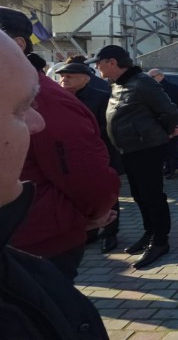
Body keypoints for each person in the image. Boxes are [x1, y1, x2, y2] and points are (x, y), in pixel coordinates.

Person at [0, 30, 111, 339]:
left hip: (49, 233)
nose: (37, 122)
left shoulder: (67, 104)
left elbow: (88, 171)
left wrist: (93, 214)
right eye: (21, 109)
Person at [88, 45, 178, 269]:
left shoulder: (141, 82)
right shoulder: (120, 84)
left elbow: (168, 111)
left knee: (152, 195)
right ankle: (149, 233)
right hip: (129, 149)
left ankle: (160, 241)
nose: (97, 68)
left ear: (111, 62)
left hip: (146, 148)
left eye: (99, 63)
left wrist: (165, 132)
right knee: (140, 195)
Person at [56, 61, 123, 253]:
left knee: (106, 195)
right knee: (81, 196)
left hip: (98, 155)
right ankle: (90, 231)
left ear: (84, 79)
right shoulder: (58, 97)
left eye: (69, 76)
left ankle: (110, 233)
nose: (63, 80)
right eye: (62, 76)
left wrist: (82, 134)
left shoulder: (101, 97)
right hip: (69, 157)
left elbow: (109, 126)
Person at [148, 68, 178, 179]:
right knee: (165, 147)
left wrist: (177, 124)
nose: (150, 80)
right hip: (159, 122)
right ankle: (168, 167)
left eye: (152, 77)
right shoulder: (152, 88)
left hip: (172, 122)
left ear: (160, 76)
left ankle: (176, 169)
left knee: (174, 147)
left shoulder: (172, 88)